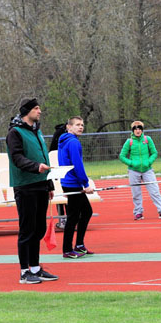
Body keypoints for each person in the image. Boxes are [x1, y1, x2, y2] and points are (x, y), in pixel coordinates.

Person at [7, 98, 58, 284]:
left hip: (41, 185)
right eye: (36, 108)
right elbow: (17, 158)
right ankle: (24, 272)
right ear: (26, 111)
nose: (40, 111)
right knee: (27, 230)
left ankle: (35, 268)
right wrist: (36, 167)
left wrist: (49, 184)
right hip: (25, 186)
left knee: (38, 229)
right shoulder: (15, 132)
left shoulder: (36, 130)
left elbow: (43, 156)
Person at [57, 116, 95, 259]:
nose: (81, 127)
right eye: (77, 125)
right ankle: (67, 249)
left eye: (82, 124)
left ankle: (79, 245)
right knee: (73, 216)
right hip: (72, 183)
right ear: (69, 127)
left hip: (68, 182)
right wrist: (85, 184)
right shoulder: (73, 142)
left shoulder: (65, 140)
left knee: (86, 211)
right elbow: (77, 165)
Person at [119, 121, 161, 221]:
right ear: (132, 130)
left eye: (139, 128)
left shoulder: (147, 139)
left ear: (142, 129)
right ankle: (138, 212)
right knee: (136, 193)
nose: (138, 130)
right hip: (133, 171)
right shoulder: (129, 142)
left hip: (147, 170)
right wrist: (132, 163)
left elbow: (154, 153)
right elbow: (122, 156)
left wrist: (149, 162)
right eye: (135, 129)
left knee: (154, 191)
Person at [49, 121, 68, 231]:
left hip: (66, 168)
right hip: (57, 167)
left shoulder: (71, 136)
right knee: (60, 193)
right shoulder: (60, 133)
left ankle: (68, 218)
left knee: (68, 192)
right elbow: (53, 151)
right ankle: (62, 219)